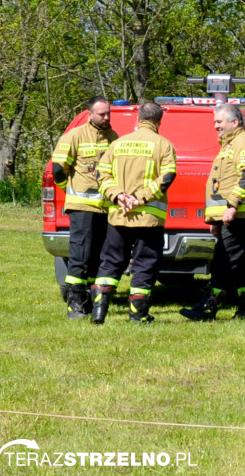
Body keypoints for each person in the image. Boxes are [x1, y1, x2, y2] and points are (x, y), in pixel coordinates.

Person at [90, 101, 177, 324]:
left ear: (138, 119)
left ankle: (99, 313)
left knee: (110, 262)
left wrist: (118, 195)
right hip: (148, 218)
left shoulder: (117, 144)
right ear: (159, 121)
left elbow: (101, 176)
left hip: (119, 215)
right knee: (145, 264)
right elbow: (167, 178)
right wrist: (141, 198)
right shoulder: (163, 145)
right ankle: (137, 315)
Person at [181, 103, 245, 322]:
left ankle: (209, 306)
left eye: (219, 122)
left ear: (235, 122)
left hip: (241, 215)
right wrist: (215, 219)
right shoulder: (230, 144)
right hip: (233, 216)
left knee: (224, 261)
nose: (215, 126)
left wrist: (232, 206)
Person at [49, 96, 118, 319]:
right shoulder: (74, 136)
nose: (106, 117)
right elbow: (58, 170)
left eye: (108, 113)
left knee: (98, 256)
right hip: (82, 208)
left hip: (105, 209)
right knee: (80, 255)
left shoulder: (112, 137)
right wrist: (69, 191)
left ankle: (90, 301)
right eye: (102, 114)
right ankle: (75, 304)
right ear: (90, 114)